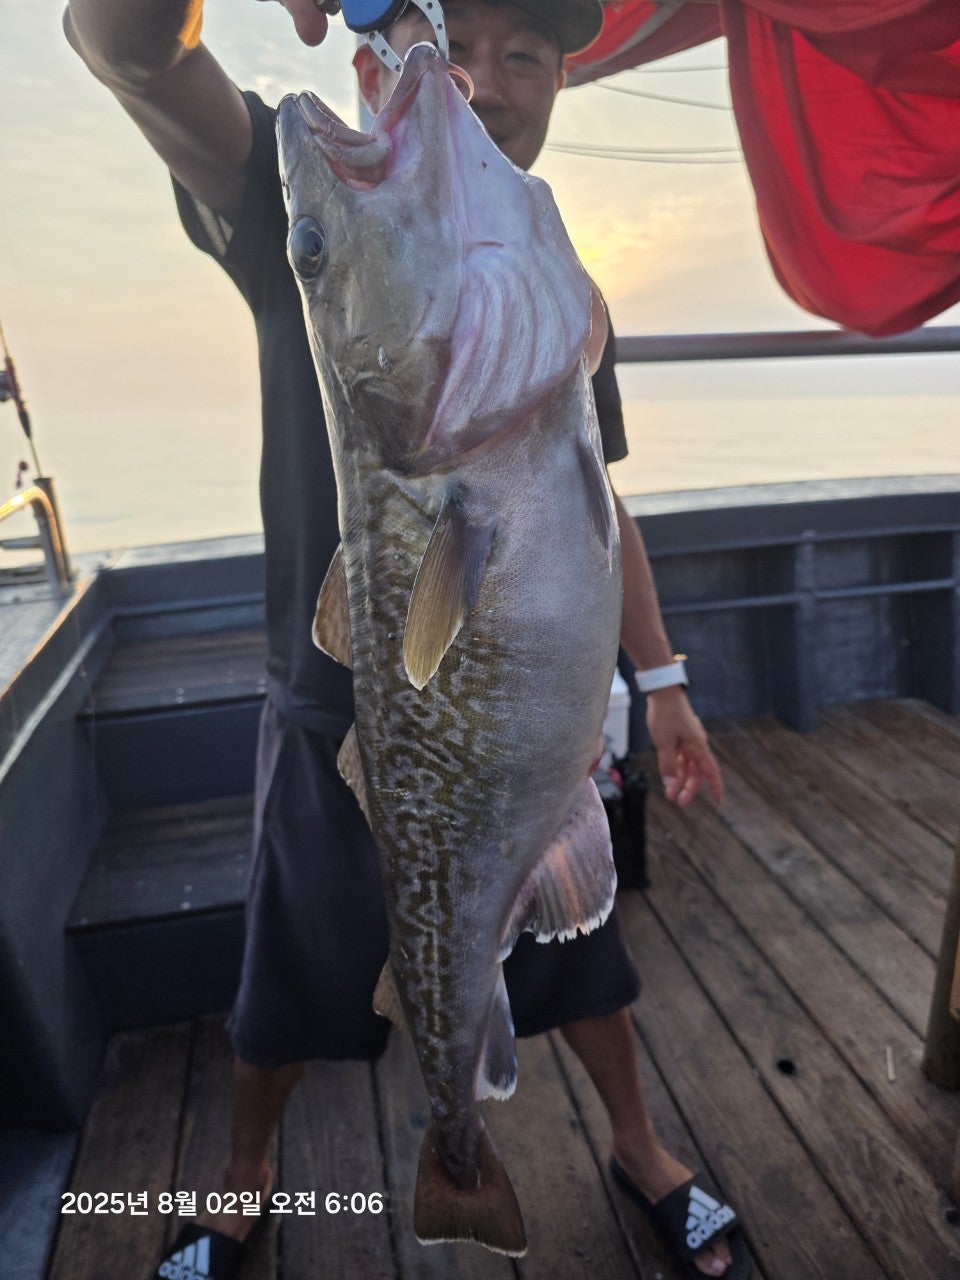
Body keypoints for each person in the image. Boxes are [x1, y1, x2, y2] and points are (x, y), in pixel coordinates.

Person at [64, 1, 744, 1276]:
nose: (480, 80)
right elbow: (122, 43)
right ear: (374, 62)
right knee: (285, 969)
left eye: (524, 55)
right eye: (453, 42)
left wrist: (662, 681)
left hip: (528, 742)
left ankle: (640, 1147)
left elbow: (602, 503)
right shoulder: (293, 213)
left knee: (585, 958)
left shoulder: (552, 283)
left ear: (557, 89)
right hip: (336, 713)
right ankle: (245, 1180)